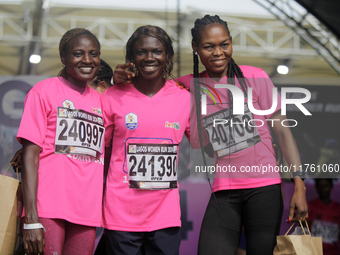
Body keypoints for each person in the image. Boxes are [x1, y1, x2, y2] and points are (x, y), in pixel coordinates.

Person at [113, 14, 308, 255]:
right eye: (208, 46)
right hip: (224, 190)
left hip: (264, 188)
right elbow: (149, 80)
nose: (218, 52)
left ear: (231, 43)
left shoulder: (255, 76)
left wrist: (299, 184)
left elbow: (283, 131)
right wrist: (119, 77)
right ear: (196, 48)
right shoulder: (187, 85)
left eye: (224, 44)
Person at [101, 25, 191, 255]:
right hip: (120, 213)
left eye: (157, 51)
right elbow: (102, 152)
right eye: (141, 52)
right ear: (132, 57)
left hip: (165, 216)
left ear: (167, 55)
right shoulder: (112, 96)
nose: (149, 57)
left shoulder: (184, 98)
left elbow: (206, 143)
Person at [17, 28, 104, 255]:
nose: (87, 60)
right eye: (78, 53)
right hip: (48, 208)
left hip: (86, 211)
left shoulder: (101, 101)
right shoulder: (43, 91)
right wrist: (31, 218)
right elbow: (30, 156)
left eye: (93, 53)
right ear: (63, 57)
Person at [308, 178, 340, 255]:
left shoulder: (338, 209)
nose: (322, 189)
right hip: (313, 251)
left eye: (325, 186)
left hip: (333, 252)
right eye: (319, 186)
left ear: (331, 186)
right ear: (316, 187)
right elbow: (303, 230)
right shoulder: (309, 206)